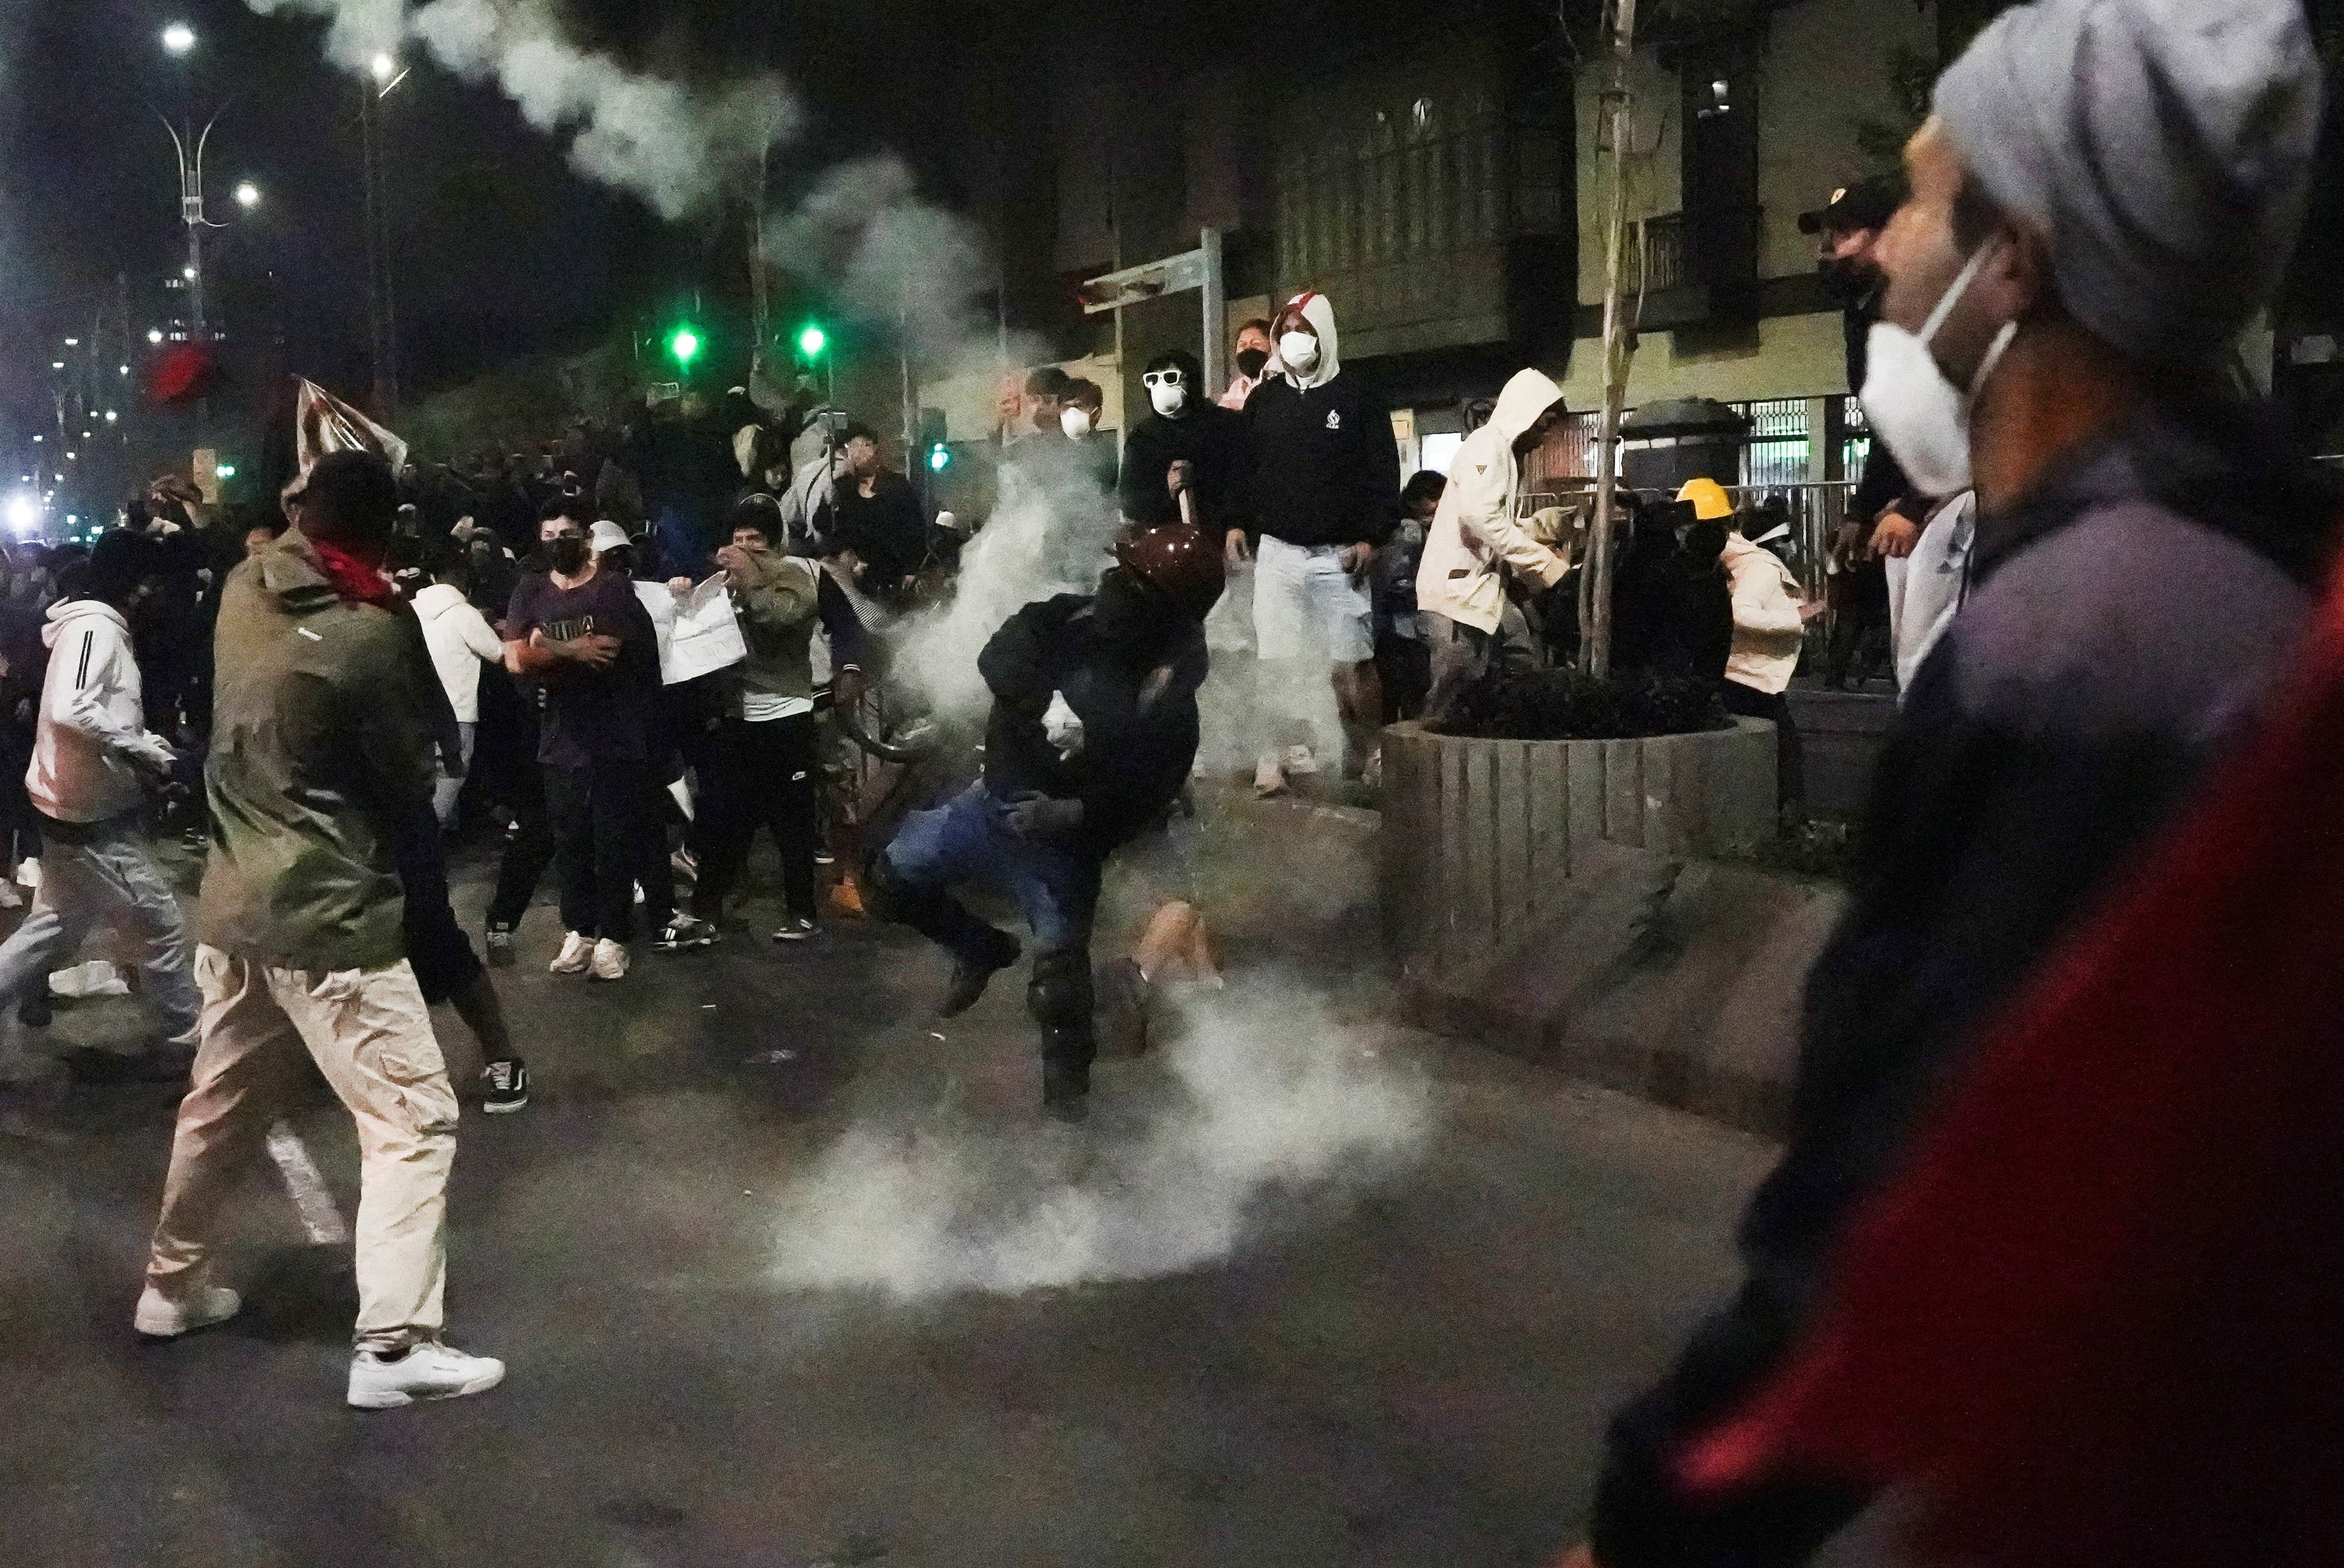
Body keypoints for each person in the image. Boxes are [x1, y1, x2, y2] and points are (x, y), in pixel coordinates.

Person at [1570, 1, 2329, 1561]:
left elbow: (1904, 1212)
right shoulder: (2227, 575)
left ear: (2017, 260)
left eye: (1918, 201)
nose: (1880, 251)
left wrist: (1664, 1519)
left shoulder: (2079, 650)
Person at [140, 450, 504, 1409]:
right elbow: (407, 777)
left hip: (231, 901)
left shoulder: (241, 588)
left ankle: (170, 1289)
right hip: (327, 911)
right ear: (383, 533)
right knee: (412, 1118)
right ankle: (394, 1348)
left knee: (220, 1106)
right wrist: (392, 614)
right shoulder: (367, 634)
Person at [866, 524, 1225, 1120]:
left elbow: (1147, 793)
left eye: (1135, 580)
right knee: (890, 880)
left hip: (1060, 851)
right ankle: (979, 947)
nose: (1115, 584)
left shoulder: (1166, 701)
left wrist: (1075, 813)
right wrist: (1042, 701)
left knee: (1060, 996)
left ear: (1165, 611)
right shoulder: (1069, 620)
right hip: (988, 806)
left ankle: (1068, 1120)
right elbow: (1001, 654)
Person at [0, 530, 198, 1076]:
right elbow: (72, 708)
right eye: (145, 581)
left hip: (70, 802)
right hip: (86, 813)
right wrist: (142, 751)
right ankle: (188, 1036)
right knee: (157, 922)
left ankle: (187, 1031)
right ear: (130, 582)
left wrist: (146, 747)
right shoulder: (96, 629)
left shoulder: (89, 627)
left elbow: (99, 711)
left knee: (54, 927)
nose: (149, 593)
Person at [1238, 291, 1401, 791]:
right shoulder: (1264, 400)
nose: (1292, 340)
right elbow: (1245, 471)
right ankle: (1273, 757)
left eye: (1303, 330)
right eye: (1284, 330)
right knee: (1275, 661)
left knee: (1354, 662)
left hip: (1339, 556)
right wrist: (1235, 524)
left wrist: (1372, 539)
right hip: (1279, 553)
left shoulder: (1358, 397)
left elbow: (1383, 474)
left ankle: (1369, 750)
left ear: (1324, 335)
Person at [501, 503, 661, 982]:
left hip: (613, 736)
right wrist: (568, 648)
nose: (557, 542)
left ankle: (613, 935)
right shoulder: (530, 588)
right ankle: (580, 930)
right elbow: (513, 657)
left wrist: (542, 647)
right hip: (560, 738)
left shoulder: (612, 589)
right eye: (549, 533)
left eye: (567, 533)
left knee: (612, 840)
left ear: (586, 539)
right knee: (570, 839)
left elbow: (605, 654)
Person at [691, 503, 825, 943]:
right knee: (722, 818)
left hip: (786, 715)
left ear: (773, 544)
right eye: (738, 540)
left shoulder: (795, 578)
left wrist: (747, 581)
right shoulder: (723, 586)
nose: (744, 549)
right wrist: (685, 596)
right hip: (737, 716)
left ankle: (802, 914)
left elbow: (780, 616)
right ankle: (708, 911)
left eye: (755, 540)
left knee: (793, 823)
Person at [1417, 369, 1573, 720]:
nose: (1546, 435)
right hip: (1456, 596)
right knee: (1452, 691)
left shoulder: (1502, 451)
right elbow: (1481, 518)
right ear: (1527, 412)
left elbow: (1493, 523)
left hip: (1482, 592)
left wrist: (1542, 526)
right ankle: (1418, 763)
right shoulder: (1487, 446)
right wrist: (1547, 565)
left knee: (1515, 669)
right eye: (1545, 423)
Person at [1709, 480, 1820, 816]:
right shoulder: (1758, 568)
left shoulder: (1719, 562)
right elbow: (1740, 615)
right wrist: (1796, 618)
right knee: (1783, 754)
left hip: (1731, 669)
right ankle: (1785, 823)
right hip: (1752, 673)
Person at [413, 549, 507, 828]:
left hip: (417, 708)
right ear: (466, 584)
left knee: (423, 777)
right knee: (452, 773)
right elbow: (499, 653)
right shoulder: (465, 614)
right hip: (457, 712)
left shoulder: (409, 610)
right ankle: (430, 836)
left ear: (431, 578)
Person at [1117, 349, 1247, 539]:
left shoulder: (1225, 425)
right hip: (1164, 541)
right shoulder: (1143, 437)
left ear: (1191, 382)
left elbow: (1241, 482)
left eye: (1171, 378)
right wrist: (1165, 488)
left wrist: (1235, 525)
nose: (1161, 387)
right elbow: (1131, 502)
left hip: (1218, 538)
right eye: (1153, 379)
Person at [823, 424, 931, 611]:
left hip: (893, 571)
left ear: (875, 448)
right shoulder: (842, 488)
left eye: (866, 445)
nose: (861, 452)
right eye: (853, 446)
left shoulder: (896, 485)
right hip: (857, 577)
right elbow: (824, 524)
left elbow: (915, 527)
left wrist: (912, 569)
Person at [1374, 472, 1444, 722]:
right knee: (1412, 689)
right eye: (1433, 498)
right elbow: (1400, 581)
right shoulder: (1411, 531)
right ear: (1418, 500)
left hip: (1386, 622)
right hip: (1403, 623)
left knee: (1392, 692)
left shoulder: (1397, 526)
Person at [1218, 317, 1276, 412]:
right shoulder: (1237, 385)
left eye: (1256, 343)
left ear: (1272, 347)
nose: (1248, 348)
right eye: (1243, 345)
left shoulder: (1277, 381)